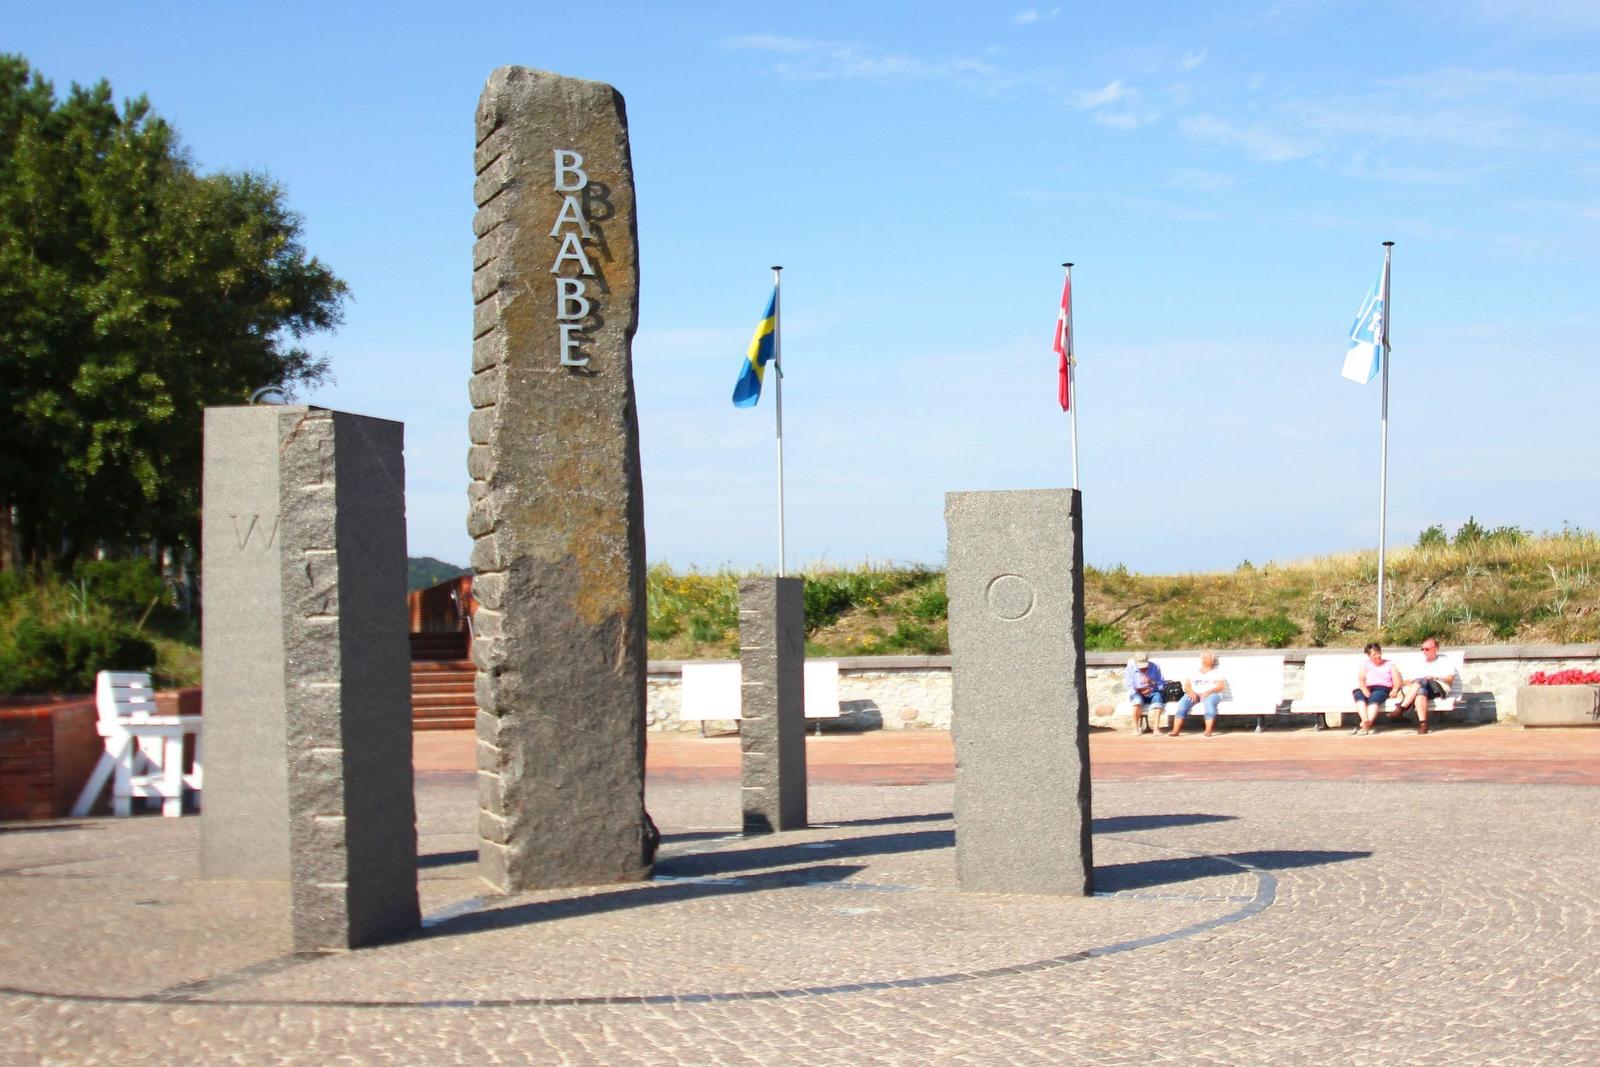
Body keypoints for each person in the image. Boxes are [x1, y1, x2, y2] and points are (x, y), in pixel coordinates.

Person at [1392, 639, 1455, 734]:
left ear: (1436, 649)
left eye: (1427, 649)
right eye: (1422, 649)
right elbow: (1409, 680)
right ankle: (1423, 724)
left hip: (1438, 687)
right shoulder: (1419, 662)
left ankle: (1402, 707)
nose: (1424, 651)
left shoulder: (1445, 661)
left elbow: (1450, 679)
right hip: (1420, 687)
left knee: (1421, 682)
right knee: (1421, 690)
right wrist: (1409, 682)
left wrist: (1435, 677)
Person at [1169, 652, 1226, 737]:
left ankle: (1208, 730)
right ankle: (1175, 730)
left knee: (1209, 703)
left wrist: (1208, 692)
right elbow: (1187, 686)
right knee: (1183, 703)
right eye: (1203, 657)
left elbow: (1220, 687)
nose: (1204, 659)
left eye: (1207, 657)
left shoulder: (1216, 673)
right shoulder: (1194, 672)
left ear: (1212, 661)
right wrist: (1191, 692)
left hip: (1212, 694)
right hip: (1195, 693)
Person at [1351, 642, 1403, 735]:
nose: (1378, 655)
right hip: (1368, 687)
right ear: (1369, 655)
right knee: (1358, 694)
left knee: (1375, 698)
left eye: (1378, 653)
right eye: (1374, 654)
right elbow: (1361, 680)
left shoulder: (1389, 664)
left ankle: (1366, 726)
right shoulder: (1365, 665)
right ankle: (1365, 719)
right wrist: (1364, 689)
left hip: (1382, 687)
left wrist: (1394, 689)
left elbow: (1397, 680)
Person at [1124, 652, 1166, 735]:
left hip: (1153, 691)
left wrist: (1152, 682)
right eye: (1140, 667)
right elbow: (1129, 686)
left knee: (1157, 698)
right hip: (1137, 692)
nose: (1143, 669)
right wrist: (1140, 690)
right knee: (1137, 701)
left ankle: (1156, 729)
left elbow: (1162, 684)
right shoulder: (1129, 669)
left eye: (1144, 666)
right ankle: (1135, 728)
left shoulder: (1155, 667)